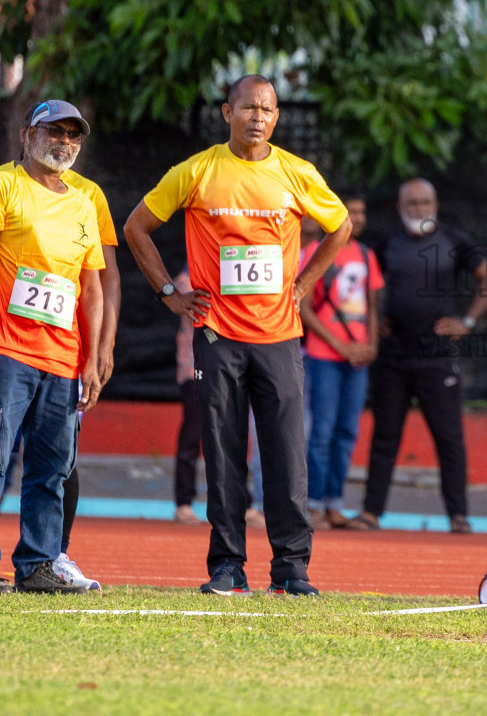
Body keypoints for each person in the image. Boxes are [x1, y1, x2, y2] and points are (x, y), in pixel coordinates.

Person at [124, 75, 350, 596]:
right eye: (248, 107)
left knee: (286, 455)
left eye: (267, 110)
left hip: (279, 335)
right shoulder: (198, 171)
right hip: (217, 335)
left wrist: (307, 282)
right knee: (224, 454)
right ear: (227, 112)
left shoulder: (297, 173)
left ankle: (292, 569)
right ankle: (227, 567)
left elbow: (339, 226)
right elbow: (136, 226)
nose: (258, 117)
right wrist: (167, 292)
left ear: (276, 117)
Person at [0, 103, 120, 591]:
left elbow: (92, 286)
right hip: (6, 351)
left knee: (51, 469)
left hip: (62, 357)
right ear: (27, 134)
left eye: (74, 135)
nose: (64, 141)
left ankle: (37, 564)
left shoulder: (82, 203)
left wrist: (95, 355)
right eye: (54, 131)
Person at [350, 179, 487, 534]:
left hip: (437, 357)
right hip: (393, 356)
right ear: (401, 207)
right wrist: (376, 323)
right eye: (412, 203)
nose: (420, 208)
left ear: (435, 203)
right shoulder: (388, 243)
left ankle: (458, 516)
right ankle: (371, 513)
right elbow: (367, 288)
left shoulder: (454, 240)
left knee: (449, 438)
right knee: (385, 435)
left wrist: (466, 321)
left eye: (426, 202)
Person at [298, 194, 383, 529]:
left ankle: (335, 503)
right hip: (324, 356)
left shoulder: (366, 255)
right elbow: (303, 308)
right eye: (351, 212)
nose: (358, 218)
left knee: (347, 431)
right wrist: (340, 345)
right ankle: (314, 505)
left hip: (358, 359)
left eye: (361, 211)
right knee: (321, 432)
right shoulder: (314, 252)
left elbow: (374, 306)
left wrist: (372, 345)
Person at [171, 267, 206, 524]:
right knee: (192, 435)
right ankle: (183, 502)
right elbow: (201, 309)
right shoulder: (186, 278)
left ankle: (243, 502)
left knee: (232, 436)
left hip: (227, 368)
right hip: (194, 368)